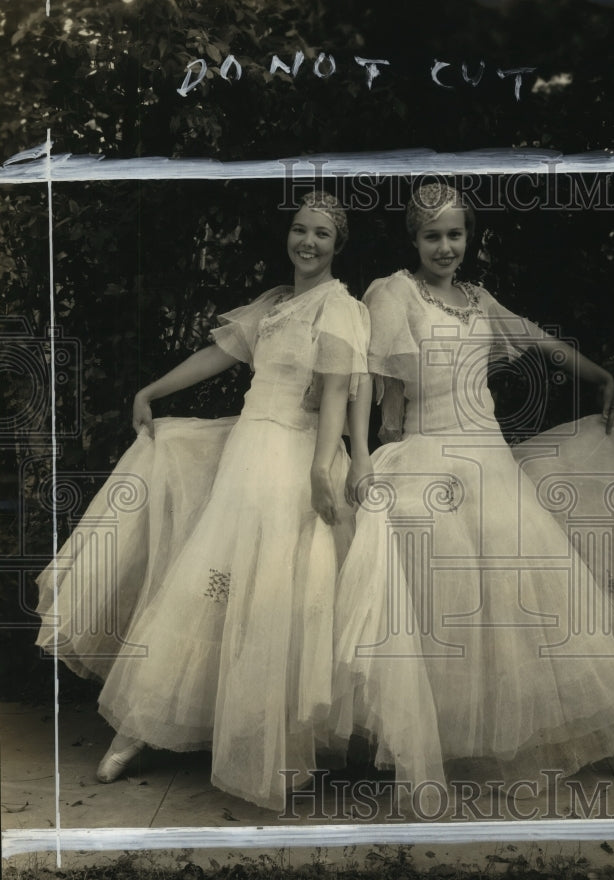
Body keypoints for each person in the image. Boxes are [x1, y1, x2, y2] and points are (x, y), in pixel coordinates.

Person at [332, 182, 614, 805]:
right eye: (432, 236)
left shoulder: (478, 299)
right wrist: (372, 459)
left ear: (469, 237)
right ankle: (405, 739)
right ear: (412, 240)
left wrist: (598, 373)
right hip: (429, 455)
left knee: (537, 589)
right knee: (424, 602)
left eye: (455, 234)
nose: (445, 247)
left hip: (491, 459)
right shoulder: (392, 294)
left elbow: (537, 341)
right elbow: (380, 391)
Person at [36, 191, 370, 810]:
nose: (308, 242)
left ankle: (264, 742)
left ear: (337, 245)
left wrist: (325, 467)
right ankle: (140, 727)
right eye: (300, 229)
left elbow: (332, 395)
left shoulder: (341, 308)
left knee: (274, 594)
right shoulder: (275, 305)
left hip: (294, 461)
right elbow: (220, 354)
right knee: (205, 585)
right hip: (247, 452)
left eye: (322, 234)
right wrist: (151, 389)